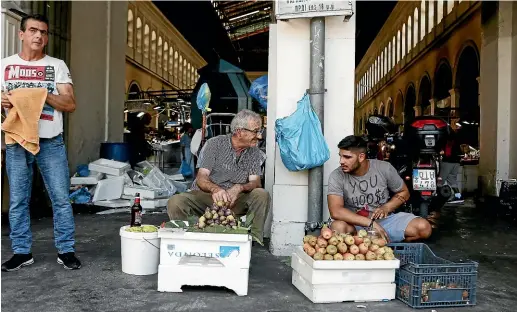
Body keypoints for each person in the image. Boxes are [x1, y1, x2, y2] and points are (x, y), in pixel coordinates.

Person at [0, 14, 81, 271]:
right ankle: (22, 252)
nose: (39, 36)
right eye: (33, 30)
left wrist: (42, 94)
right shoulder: (4, 65)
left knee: (60, 197)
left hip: (50, 140)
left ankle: (66, 250)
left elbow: (69, 104)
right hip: (16, 139)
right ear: (21, 34)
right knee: (18, 199)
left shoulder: (56, 65)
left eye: (43, 32)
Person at [167, 110, 269, 244]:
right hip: (208, 197)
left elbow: (256, 183)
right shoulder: (214, 144)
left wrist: (239, 188)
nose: (259, 136)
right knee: (176, 202)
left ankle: (254, 241)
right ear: (239, 132)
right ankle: (188, 240)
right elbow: (201, 178)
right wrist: (215, 190)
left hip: (235, 200)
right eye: (255, 131)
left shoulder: (254, 152)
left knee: (261, 194)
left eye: (259, 131)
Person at [327, 135, 432, 243]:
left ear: (361, 157)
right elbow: (336, 211)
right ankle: (362, 246)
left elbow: (404, 192)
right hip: (354, 224)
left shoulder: (384, 168)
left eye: (347, 157)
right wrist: (370, 223)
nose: (341, 161)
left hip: (385, 222)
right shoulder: (337, 175)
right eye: (340, 156)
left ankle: (387, 247)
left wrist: (386, 207)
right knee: (338, 227)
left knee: (423, 228)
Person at [440, 129, 464, 204]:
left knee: (440, 179)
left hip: (448, 162)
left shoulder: (446, 139)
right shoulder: (457, 139)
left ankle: (436, 197)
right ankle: (458, 197)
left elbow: (446, 152)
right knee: (452, 180)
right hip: (456, 163)